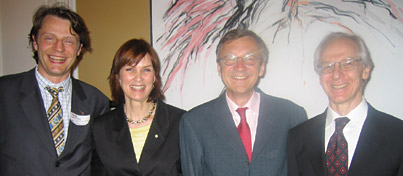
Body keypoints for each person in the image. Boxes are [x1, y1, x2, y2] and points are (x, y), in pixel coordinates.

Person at [0, 4, 110, 175]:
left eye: (68, 41)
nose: (59, 48)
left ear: (79, 49)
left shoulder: (96, 101)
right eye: (49, 38)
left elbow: (100, 165)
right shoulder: (4, 92)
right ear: (35, 42)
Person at [179, 29, 307, 176]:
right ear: (219, 69)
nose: (240, 67)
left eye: (249, 59)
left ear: (262, 67)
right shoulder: (194, 122)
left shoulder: (292, 116)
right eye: (230, 59)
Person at [287, 32, 403, 176]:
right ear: (320, 76)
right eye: (327, 66)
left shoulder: (398, 136)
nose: (336, 74)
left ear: (366, 70)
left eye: (348, 63)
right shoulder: (297, 137)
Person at [92, 39, 186, 176]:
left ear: (154, 77)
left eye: (146, 70)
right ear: (118, 77)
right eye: (130, 69)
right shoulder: (100, 128)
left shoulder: (180, 122)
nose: (138, 78)